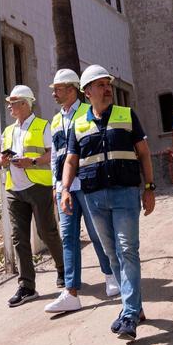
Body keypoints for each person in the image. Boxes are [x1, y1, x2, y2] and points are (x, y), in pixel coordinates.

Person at [60, 64, 156, 341]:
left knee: (127, 250)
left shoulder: (127, 115)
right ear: (87, 91)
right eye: (101, 84)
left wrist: (149, 187)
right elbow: (70, 160)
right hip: (94, 197)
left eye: (109, 84)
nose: (108, 88)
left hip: (125, 194)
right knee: (112, 253)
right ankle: (134, 307)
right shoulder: (78, 124)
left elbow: (144, 153)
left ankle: (128, 315)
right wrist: (66, 190)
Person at [43, 68, 120, 314]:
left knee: (98, 234)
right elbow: (56, 155)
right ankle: (70, 292)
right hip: (66, 188)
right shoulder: (55, 120)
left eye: (58, 88)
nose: (54, 93)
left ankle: (110, 276)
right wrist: (57, 187)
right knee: (68, 238)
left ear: (72, 89)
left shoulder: (88, 112)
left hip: (88, 184)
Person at [0, 84, 65, 308]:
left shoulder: (42, 126)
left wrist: (33, 161)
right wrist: (4, 160)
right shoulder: (8, 131)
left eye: (14, 102)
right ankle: (27, 286)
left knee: (46, 232)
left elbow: (52, 154)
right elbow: (2, 157)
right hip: (13, 189)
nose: (10, 106)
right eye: (9, 102)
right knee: (19, 237)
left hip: (38, 186)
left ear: (26, 104)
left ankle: (64, 271)